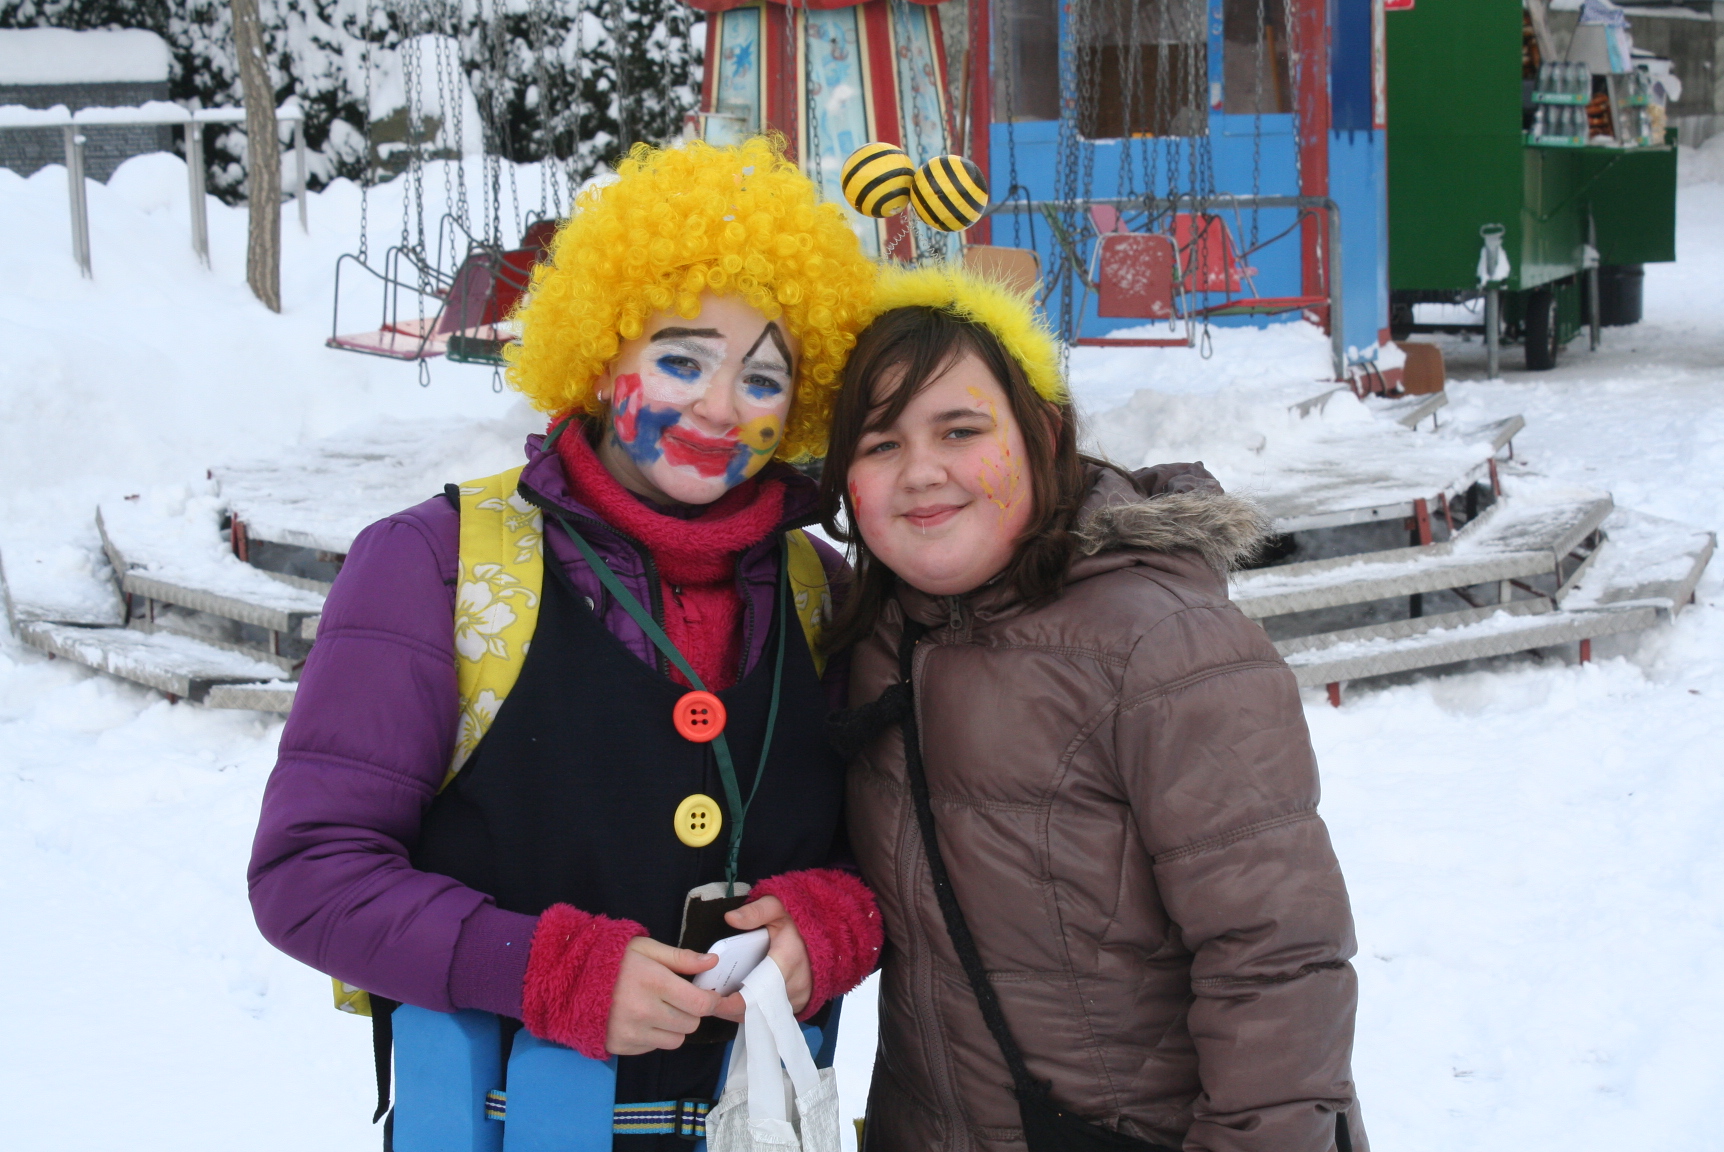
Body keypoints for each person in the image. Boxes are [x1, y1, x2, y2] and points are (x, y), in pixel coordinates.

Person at [248, 137, 883, 1150]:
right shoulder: (434, 566)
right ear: (601, 355)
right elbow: (311, 873)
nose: (720, 407)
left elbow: (892, 845)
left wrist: (835, 920)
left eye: (764, 379)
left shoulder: (823, 592)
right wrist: (543, 969)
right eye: (682, 361)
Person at [821, 266, 1369, 1152]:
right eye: (880, 444)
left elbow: (1276, 958)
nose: (920, 472)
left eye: (960, 430)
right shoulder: (875, 636)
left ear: (1042, 433)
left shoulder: (1164, 645)